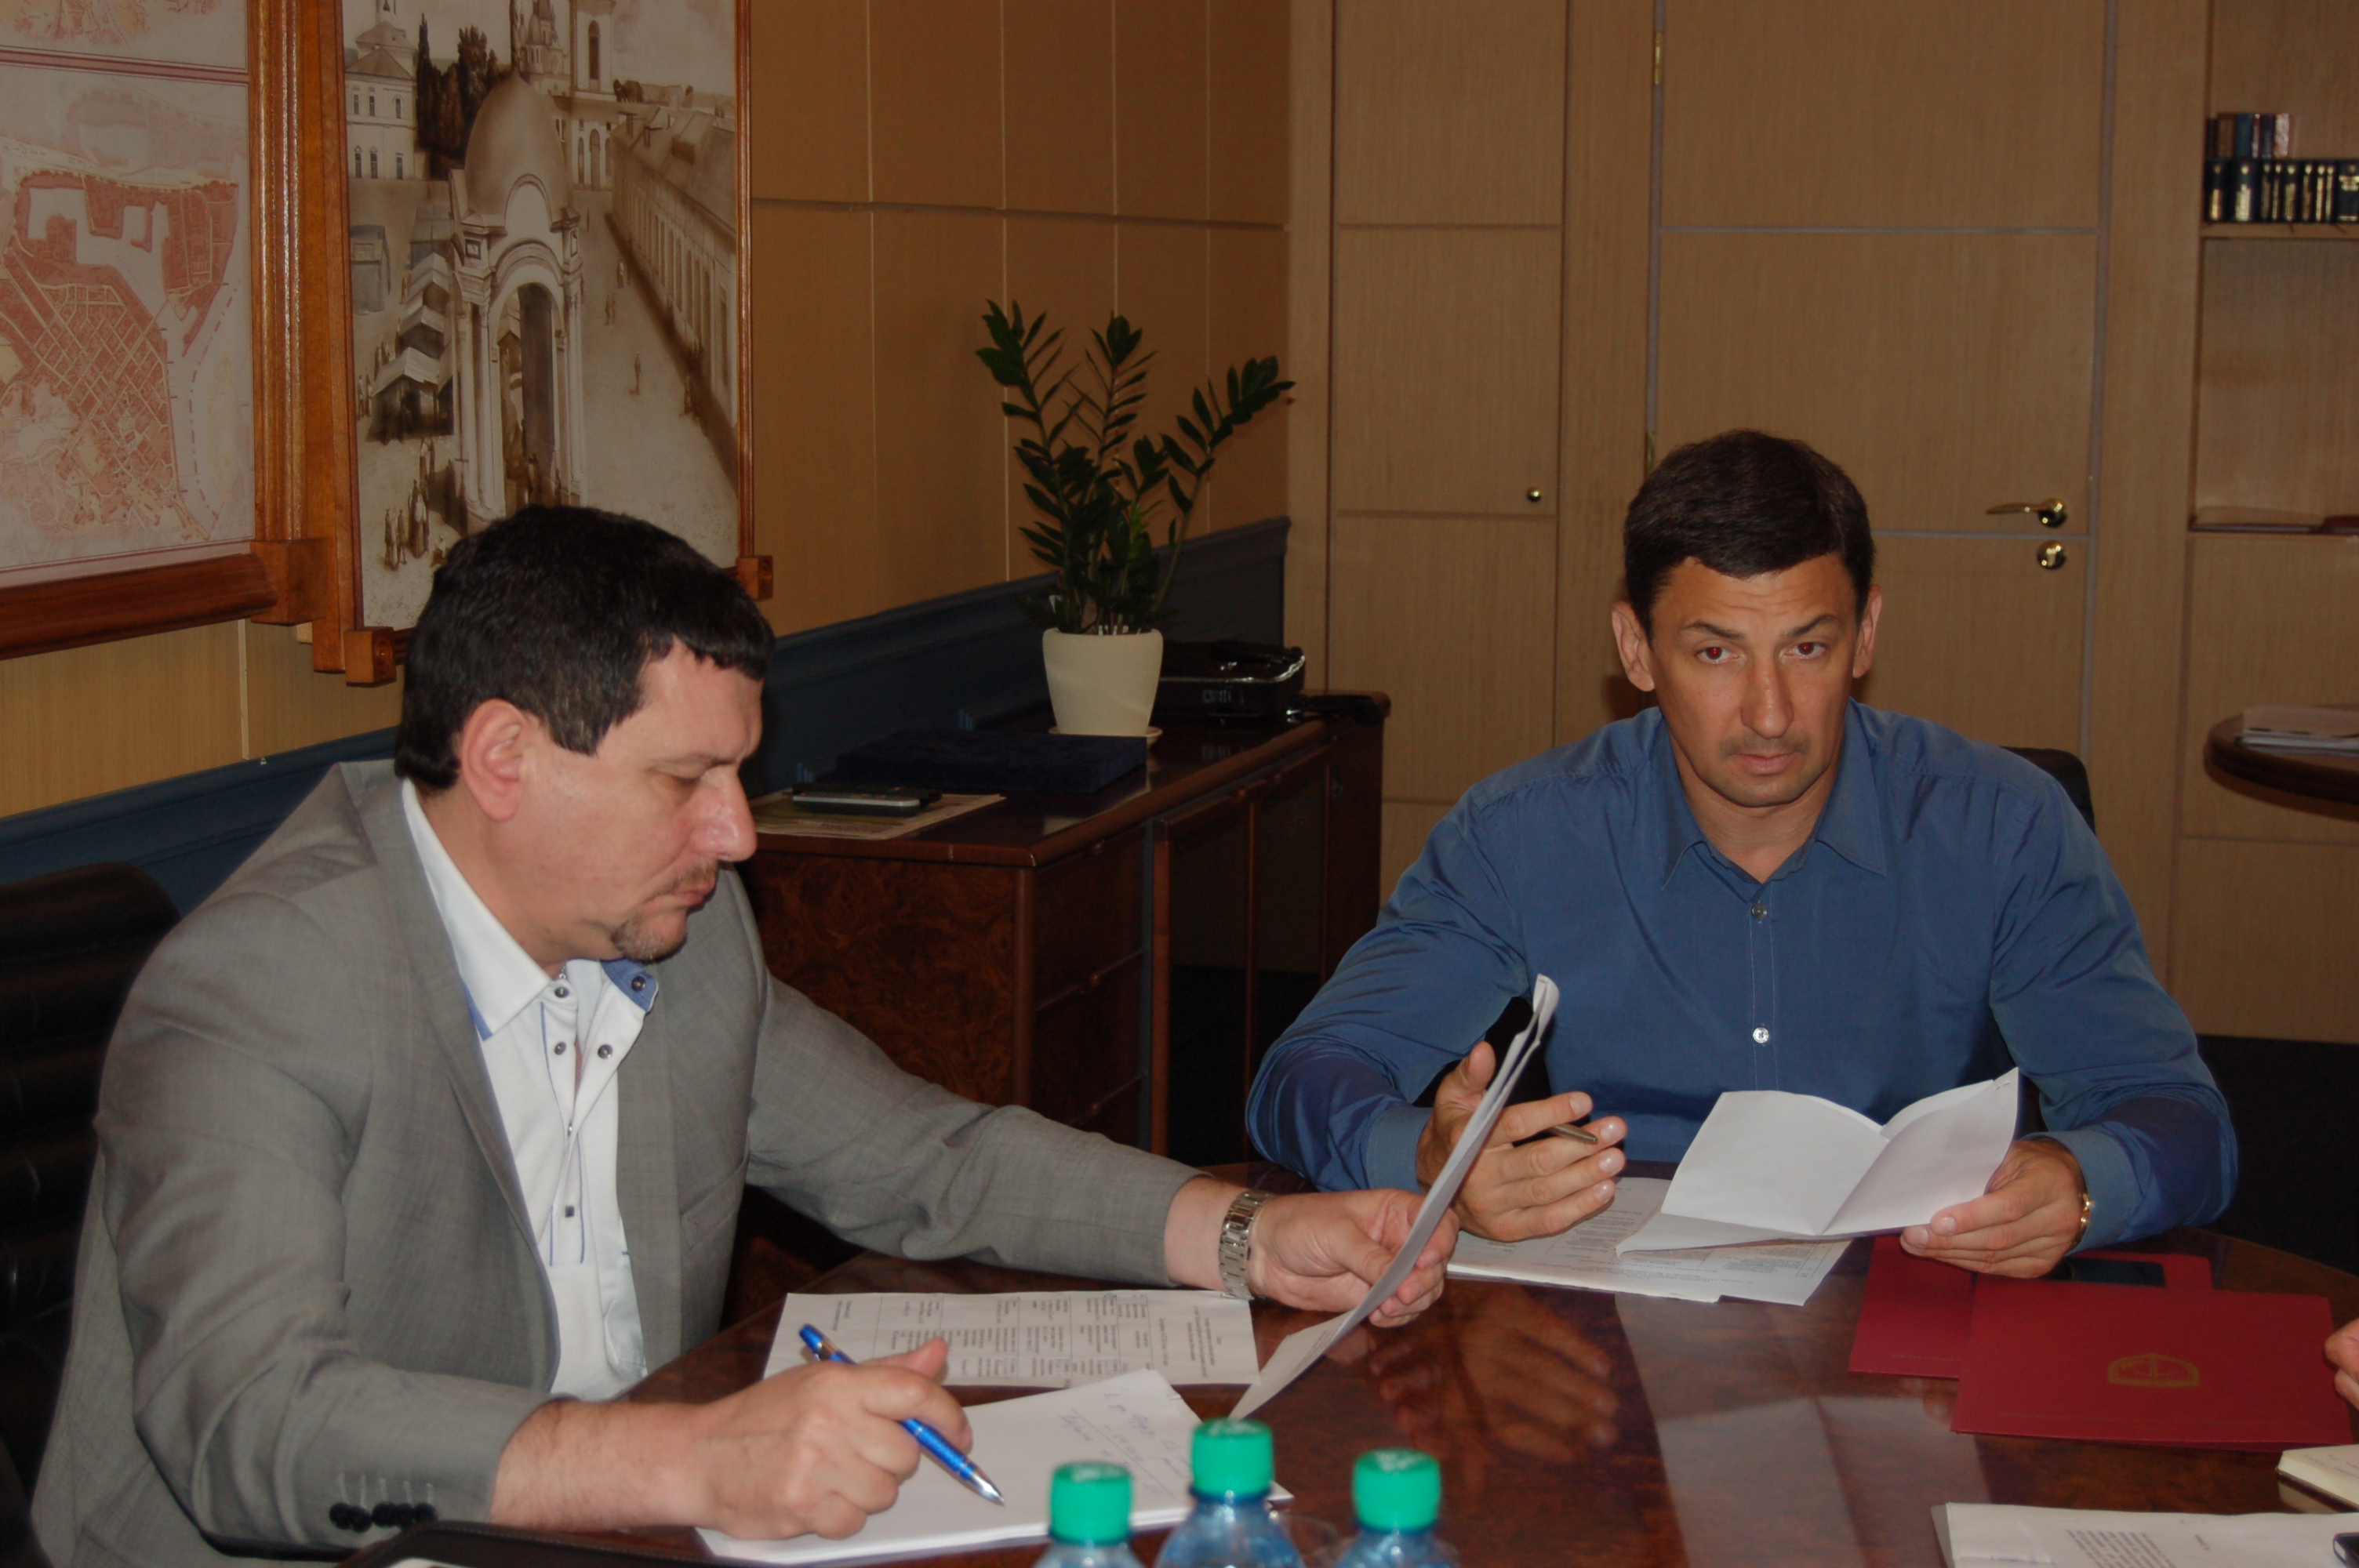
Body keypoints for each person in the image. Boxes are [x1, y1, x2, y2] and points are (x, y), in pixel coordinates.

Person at [33, 507, 1455, 1567]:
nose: (736, 833)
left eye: (739, 774)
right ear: (504, 758)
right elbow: (252, 1423)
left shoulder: (675, 933)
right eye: (688, 780)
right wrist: (694, 1458)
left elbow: (922, 1158)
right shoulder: (260, 989)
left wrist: (1245, 1235)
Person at [1248, 429, 2234, 1278]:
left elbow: (2180, 1120)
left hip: (1910, 1298)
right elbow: (1302, 1074)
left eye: (1806, 647)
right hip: (1611, 1323)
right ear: (1636, 650)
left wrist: (2077, 1182)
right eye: (1714, 652)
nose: (1768, 713)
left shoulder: (1999, 827)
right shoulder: (1522, 834)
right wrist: (1432, 1159)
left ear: (1865, 634)